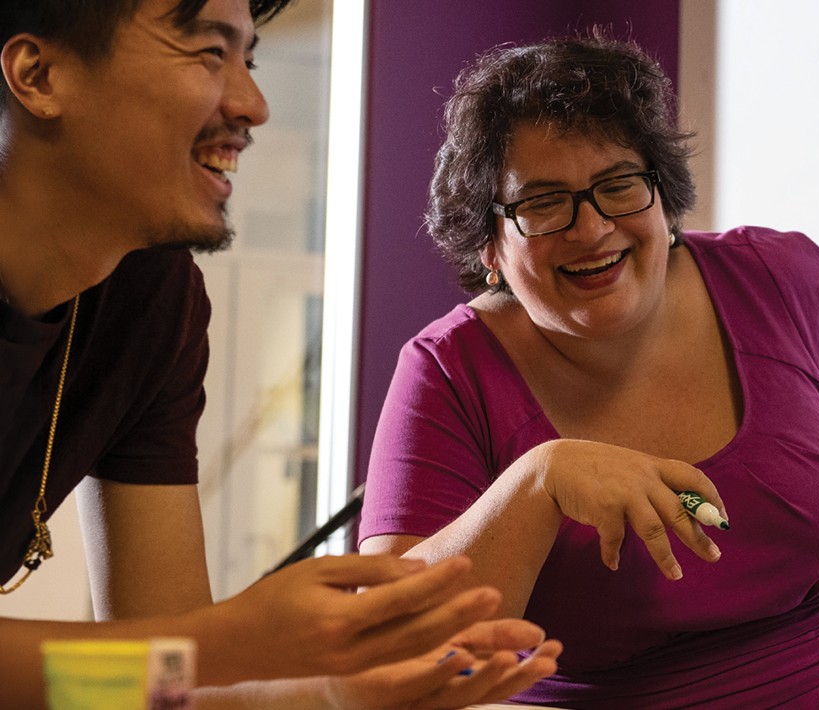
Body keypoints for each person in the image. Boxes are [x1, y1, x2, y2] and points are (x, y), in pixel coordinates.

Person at [0, 0, 559, 707]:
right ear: (38, 74)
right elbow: (180, 658)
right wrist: (225, 644)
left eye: (249, 59)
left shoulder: (153, 301)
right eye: (208, 52)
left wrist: (328, 694)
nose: (254, 105)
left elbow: (151, 684)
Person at [358, 33, 819, 709]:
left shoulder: (777, 281)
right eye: (542, 203)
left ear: (662, 192)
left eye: (618, 185)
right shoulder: (448, 374)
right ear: (488, 244)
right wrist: (537, 483)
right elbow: (385, 643)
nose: (592, 228)